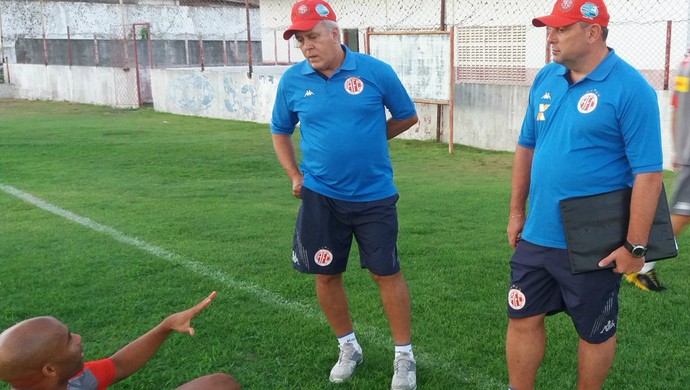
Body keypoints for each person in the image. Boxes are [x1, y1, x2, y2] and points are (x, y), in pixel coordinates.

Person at [505, 0, 664, 388]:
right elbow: (527, 147)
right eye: (550, 28)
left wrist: (636, 247)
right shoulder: (547, 77)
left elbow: (649, 173)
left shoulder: (631, 89)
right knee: (522, 317)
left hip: (593, 241)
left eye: (561, 29)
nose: (551, 36)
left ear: (593, 32)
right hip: (537, 235)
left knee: (594, 331)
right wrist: (515, 212)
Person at [270, 1, 419, 389]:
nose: (307, 46)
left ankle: (404, 356)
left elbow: (407, 115)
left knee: (386, 273)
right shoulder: (292, 81)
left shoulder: (375, 72)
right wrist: (293, 173)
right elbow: (279, 130)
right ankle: (348, 346)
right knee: (325, 274)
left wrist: (372, 139)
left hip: (374, 196)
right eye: (301, 40)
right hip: (320, 197)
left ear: (336, 34)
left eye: (313, 37)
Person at [0, 291, 240, 390]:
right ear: (49, 369)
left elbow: (118, 365)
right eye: (68, 340)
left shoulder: (71, 381)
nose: (79, 338)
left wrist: (166, 325)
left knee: (220, 384)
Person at [626, 51, 690, 292]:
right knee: (682, 213)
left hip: (687, 149)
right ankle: (641, 264)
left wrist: (678, 146)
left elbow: (676, 106)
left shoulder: (685, 66)